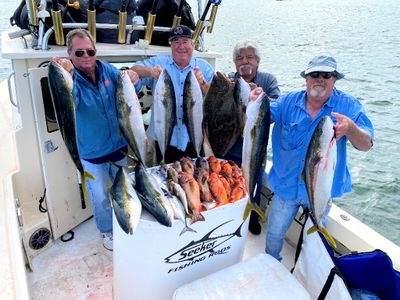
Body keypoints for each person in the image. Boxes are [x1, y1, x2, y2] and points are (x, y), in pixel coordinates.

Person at [257, 55, 374, 261]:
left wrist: (351, 129)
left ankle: (309, 272)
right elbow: (262, 114)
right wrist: (255, 99)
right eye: (314, 74)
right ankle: (270, 263)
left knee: (315, 246)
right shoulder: (287, 102)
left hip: (322, 190)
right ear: (306, 78)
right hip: (286, 188)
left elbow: (366, 144)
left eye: (326, 75)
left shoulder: (348, 106)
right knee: (274, 234)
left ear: (335, 79)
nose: (320, 79)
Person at [54, 29, 139, 251]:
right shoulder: (70, 81)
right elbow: (71, 99)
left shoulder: (108, 70)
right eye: (79, 53)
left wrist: (133, 77)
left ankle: (128, 220)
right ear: (70, 53)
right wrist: (66, 73)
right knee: (100, 196)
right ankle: (106, 231)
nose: (86, 57)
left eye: (90, 51)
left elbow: (130, 87)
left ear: (95, 51)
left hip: (119, 148)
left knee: (125, 189)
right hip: (92, 154)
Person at [131, 25, 214, 163]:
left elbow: (218, 97)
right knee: (166, 179)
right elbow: (134, 69)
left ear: (192, 44)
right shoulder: (159, 62)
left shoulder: (204, 67)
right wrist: (150, 71)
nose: (181, 46)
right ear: (171, 45)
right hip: (163, 137)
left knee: (192, 180)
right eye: (176, 42)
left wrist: (203, 83)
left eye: (185, 41)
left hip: (193, 138)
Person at [226, 40, 281, 235]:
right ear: (234, 63)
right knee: (230, 181)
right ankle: (230, 215)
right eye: (240, 58)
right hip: (231, 145)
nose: (244, 61)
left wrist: (259, 95)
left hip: (256, 143)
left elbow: (277, 105)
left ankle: (253, 216)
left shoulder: (268, 80)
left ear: (257, 61)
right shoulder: (229, 80)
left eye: (250, 57)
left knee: (255, 182)